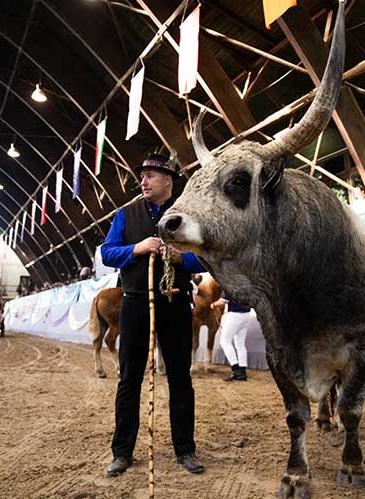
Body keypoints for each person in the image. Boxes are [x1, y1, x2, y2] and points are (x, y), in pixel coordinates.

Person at [101, 153, 206, 477]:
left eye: (150, 176)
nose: (143, 181)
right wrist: (136, 249)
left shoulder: (187, 214)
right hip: (134, 303)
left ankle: (185, 449)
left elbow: (204, 259)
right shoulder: (126, 215)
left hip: (174, 303)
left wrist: (179, 258)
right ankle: (122, 452)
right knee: (129, 379)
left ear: (167, 181)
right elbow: (107, 253)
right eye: (142, 175)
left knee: (180, 378)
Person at [213, 292, 254, 382]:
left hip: (235, 315)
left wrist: (213, 304)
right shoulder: (246, 286)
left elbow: (221, 302)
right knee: (240, 344)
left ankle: (236, 369)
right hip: (246, 315)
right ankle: (242, 371)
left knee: (224, 341)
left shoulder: (229, 287)